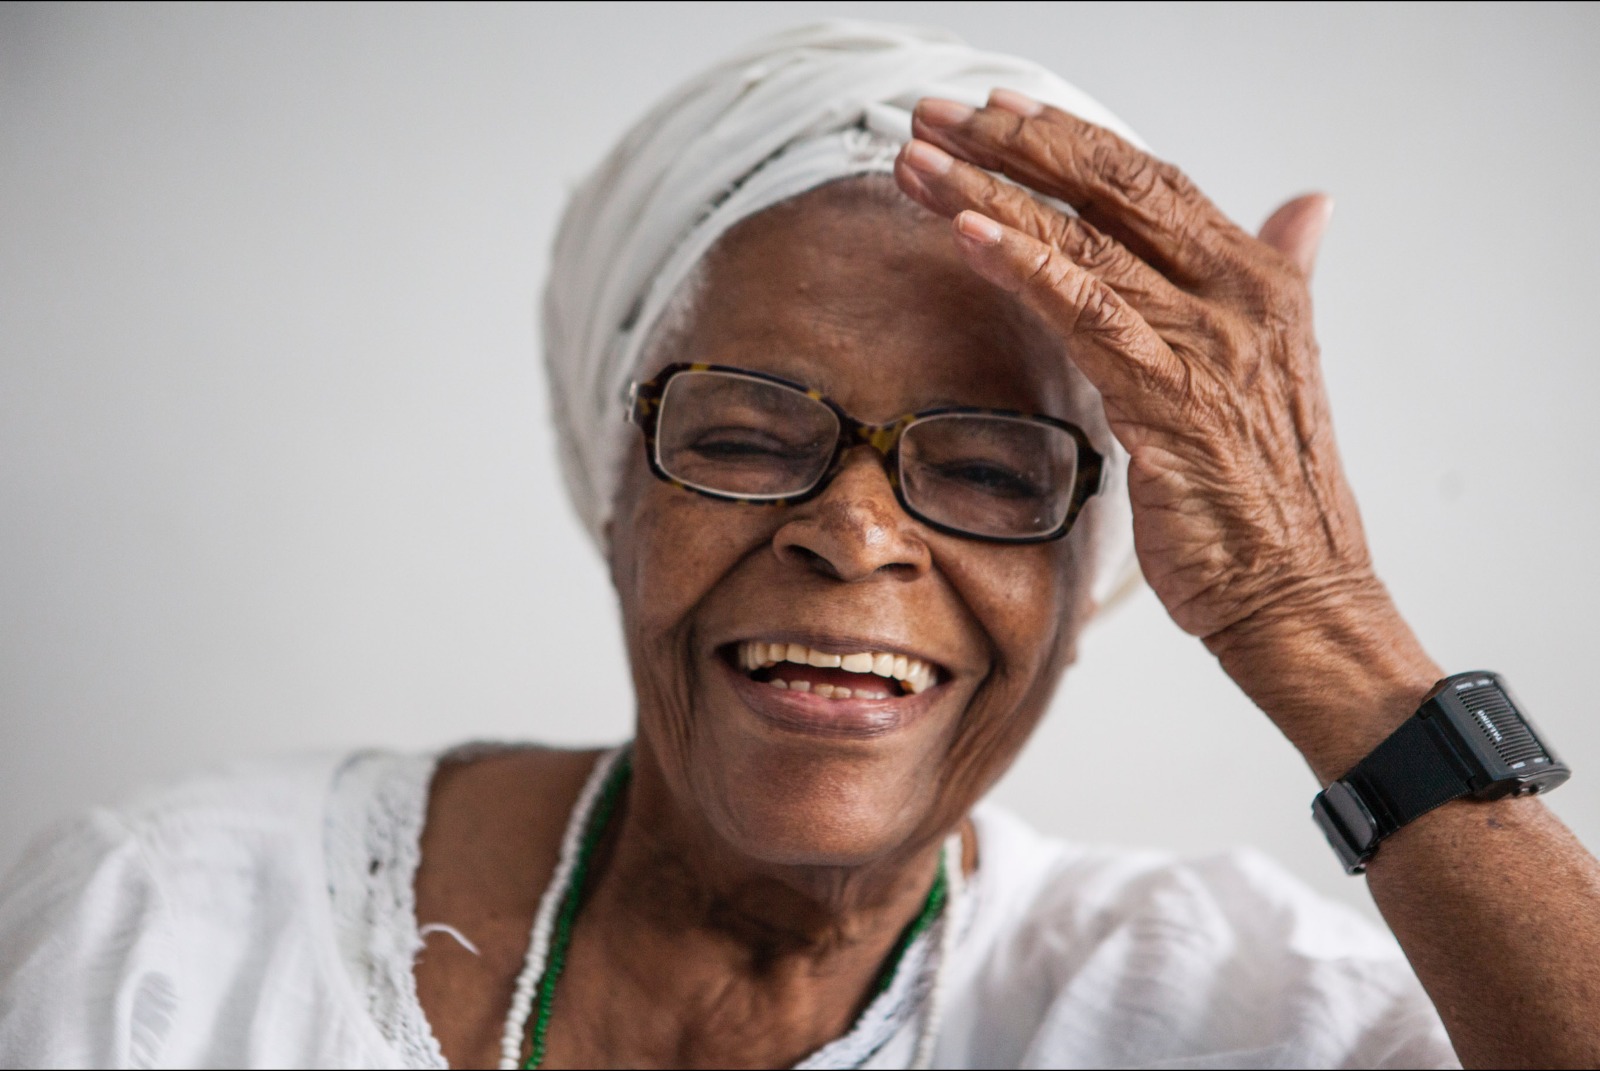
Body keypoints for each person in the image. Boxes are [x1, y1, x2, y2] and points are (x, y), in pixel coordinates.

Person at [2, 21, 1597, 1070]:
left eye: (991, 466)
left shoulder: (1237, 1013)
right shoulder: (178, 937)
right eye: (747, 436)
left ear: (1093, 571)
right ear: (617, 483)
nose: (853, 534)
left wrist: (1313, 617)